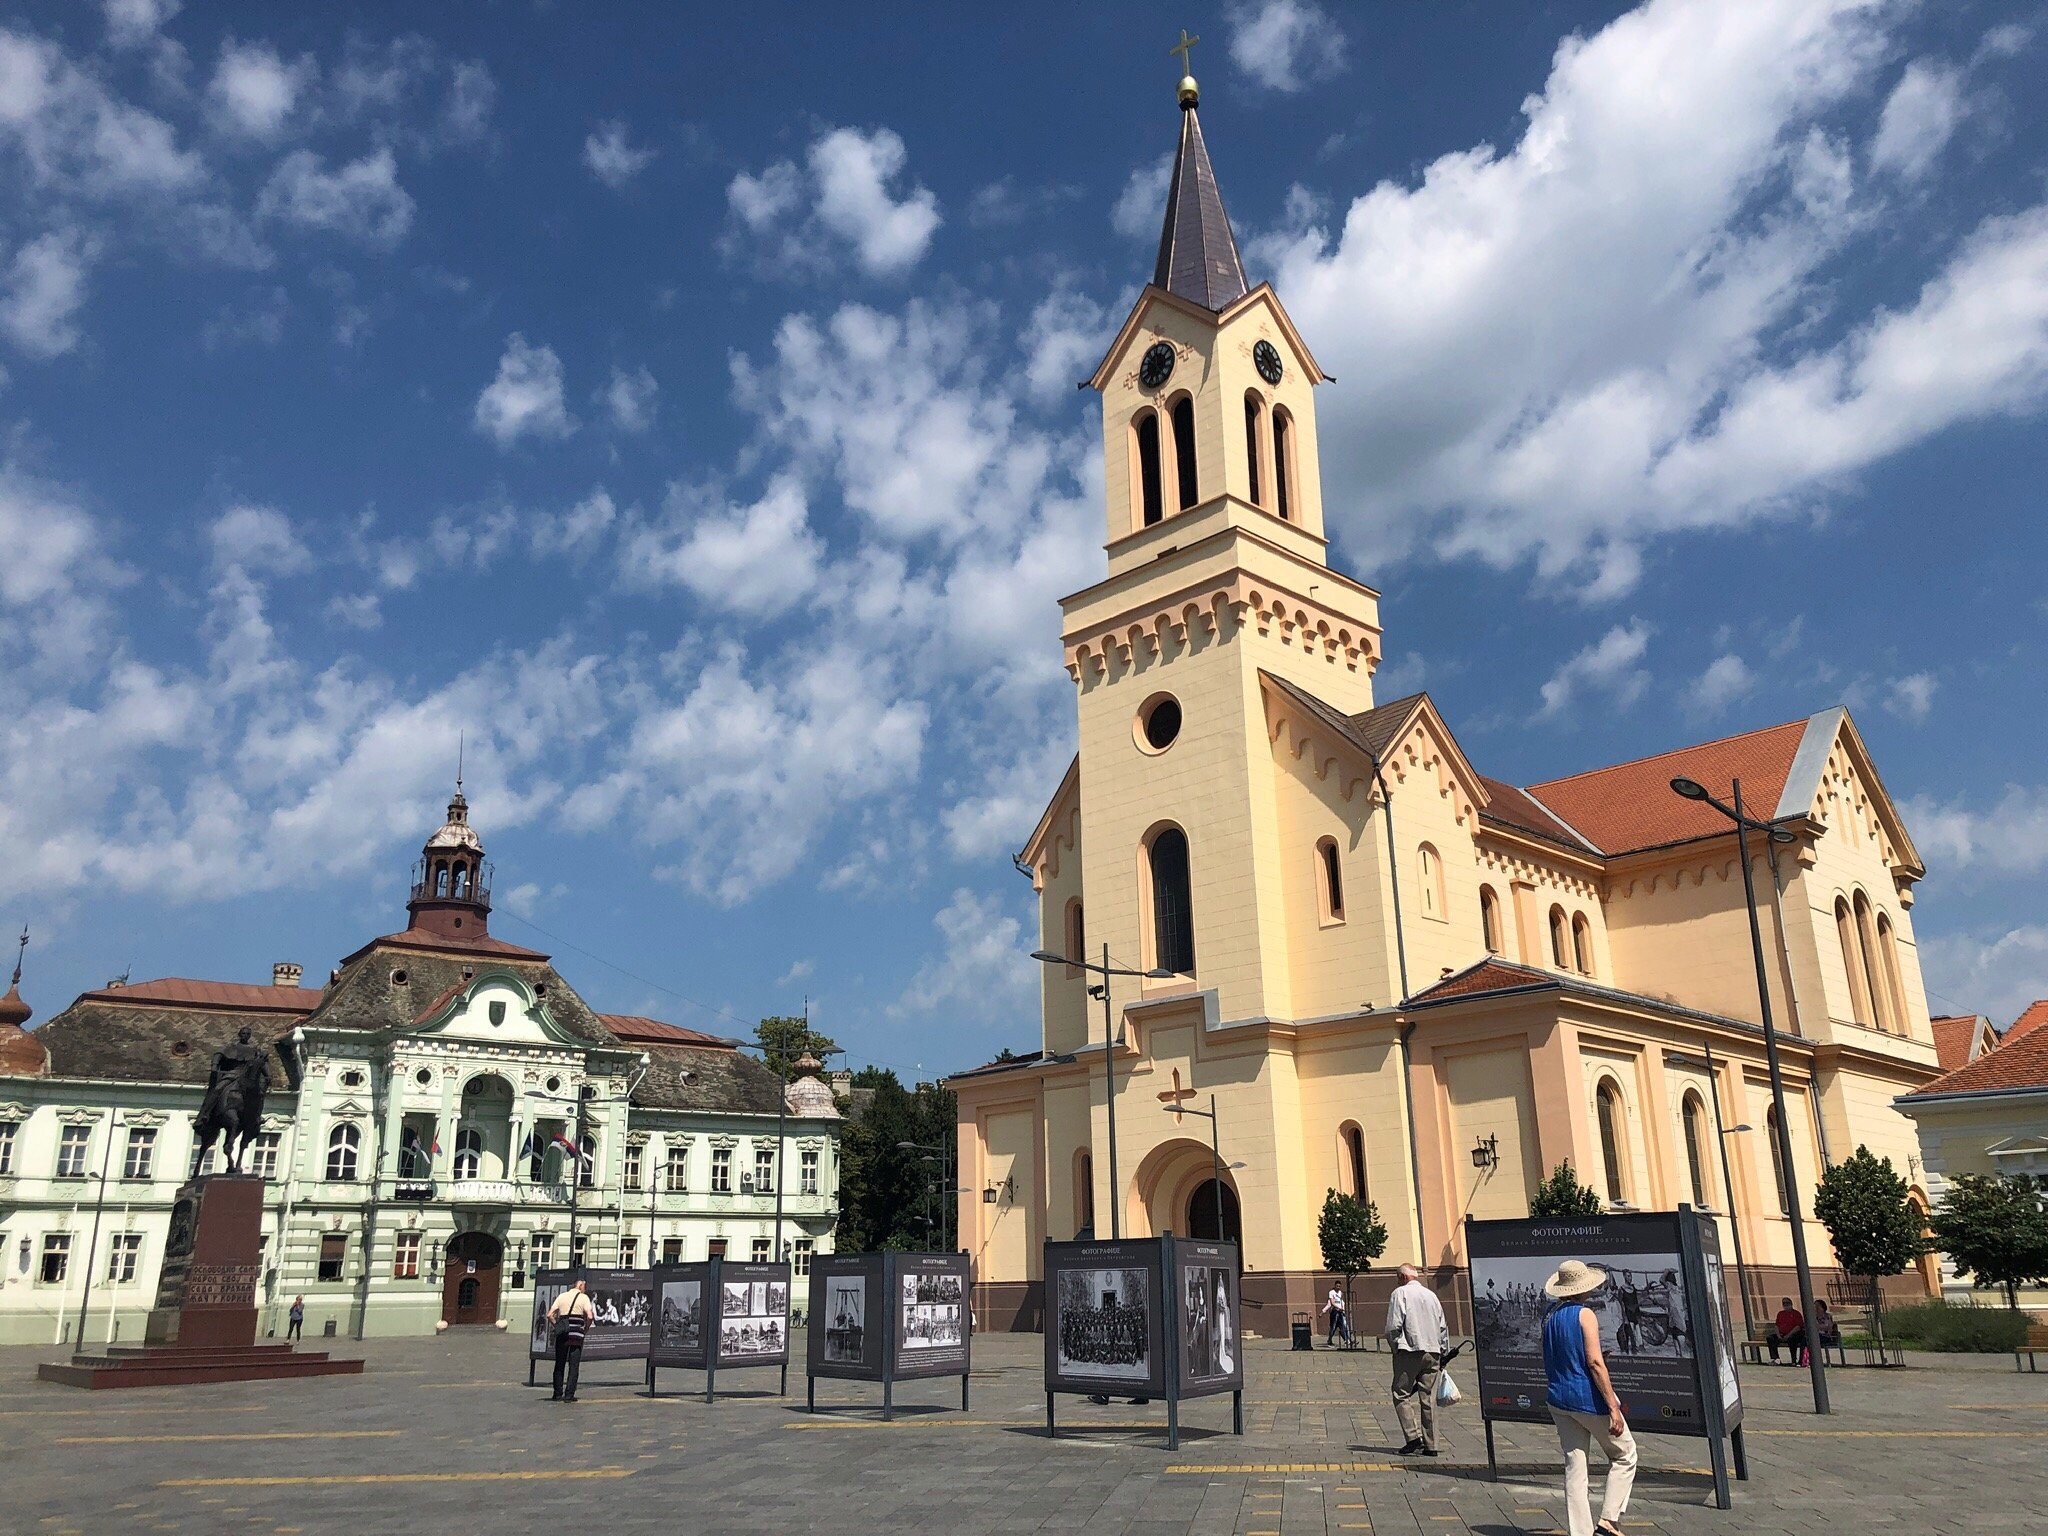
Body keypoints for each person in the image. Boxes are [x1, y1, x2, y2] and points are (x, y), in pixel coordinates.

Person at [1541, 1259, 1637, 1536]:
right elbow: (1595, 1363)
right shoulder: (1585, 1315)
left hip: (1558, 1398)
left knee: (1575, 1466)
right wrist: (1613, 1407)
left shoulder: (1549, 1315)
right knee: (1624, 1454)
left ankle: (1580, 1532)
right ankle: (1608, 1521)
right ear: (1584, 1287)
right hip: (1587, 1398)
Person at [1386, 1264, 1450, 1456]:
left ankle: (1412, 1437)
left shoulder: (1400, 1293)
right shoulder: (1431, 1295)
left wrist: (1395, 1347)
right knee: (1428, 1398)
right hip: (1433, 1351)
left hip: (1410, 1350)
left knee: (1401, 1393)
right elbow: (1443, 1326)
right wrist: (1443, 1352)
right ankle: (1432, 1445)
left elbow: (1393, 1326)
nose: (1398, 1281)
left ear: (1403, 1277)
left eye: (1398, 1278)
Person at [547, 1279, 596, 1401]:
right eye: (584, 1286)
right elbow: (590, 1316)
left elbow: (549, 1315)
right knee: (574, 1365)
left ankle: (557, 1393)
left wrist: (557, 1325)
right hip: (576, 1334)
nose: (585, 1289)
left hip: (563, 1332)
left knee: (559, 1363)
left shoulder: (562, 1296)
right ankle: (569, 1394)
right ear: (580, 1286)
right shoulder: (583, 1298)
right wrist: (586, 1328)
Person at [1768, 1296, 1806, 1365]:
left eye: (1787, 1303)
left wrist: (1788, 1335)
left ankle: (1793, 1360)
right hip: (1782, 1334)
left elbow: (1798, 1327)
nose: (1786, 1305)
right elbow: (1776, 1326)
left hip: (1793, 1334)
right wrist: (1778, 1335)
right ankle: (1776, 1358)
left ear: (1791, 1304)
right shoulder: (1780, 1314)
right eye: (1784, 1304)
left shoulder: (1796, 1313)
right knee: (1770, 1338)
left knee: (1792, 1340)